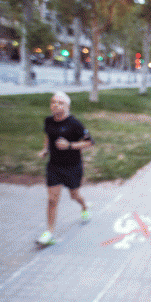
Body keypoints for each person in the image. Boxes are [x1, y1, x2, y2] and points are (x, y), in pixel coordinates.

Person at [37, 91, 94, 245]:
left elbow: (89, 143)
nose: (56, 105)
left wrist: (69, 145)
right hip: (54, 166)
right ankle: (49, 233)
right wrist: (45, 150)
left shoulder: (75, 124)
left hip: (72, 167)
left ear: (67, 106)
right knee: (52, 200)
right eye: (53, 102)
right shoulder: (48, 121)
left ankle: (84, 206)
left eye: (60, 103)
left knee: (74, 195)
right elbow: (48, 136)